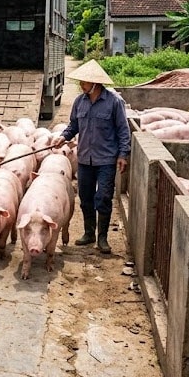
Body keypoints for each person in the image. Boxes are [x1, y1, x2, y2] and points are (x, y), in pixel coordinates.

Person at [52, 59, 131, 254]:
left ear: (95, 83)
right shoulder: (79, 102)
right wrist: (63, 137)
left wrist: (123, 154)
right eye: (81, 81)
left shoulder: (114, 102)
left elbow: (123, 130)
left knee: (103, 197)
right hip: (84, 159)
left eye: (85, 82)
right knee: (85, 197)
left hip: (106, 159)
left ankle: (102, 238)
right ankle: (89, 233)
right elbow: (73, 126)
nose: (81, 85)